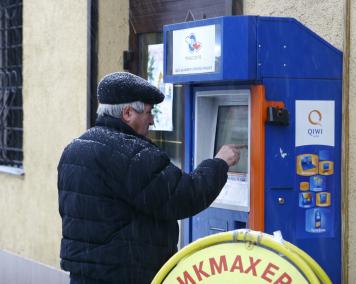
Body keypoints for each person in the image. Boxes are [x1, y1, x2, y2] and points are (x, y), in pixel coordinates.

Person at [57, 72, 241, 284]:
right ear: (127, 113)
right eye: (148, 112)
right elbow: (183, 196)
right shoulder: (131, 153)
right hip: (127, 275)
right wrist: (219, 163)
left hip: (86, 274)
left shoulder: (75, 148)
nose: (152, 120)